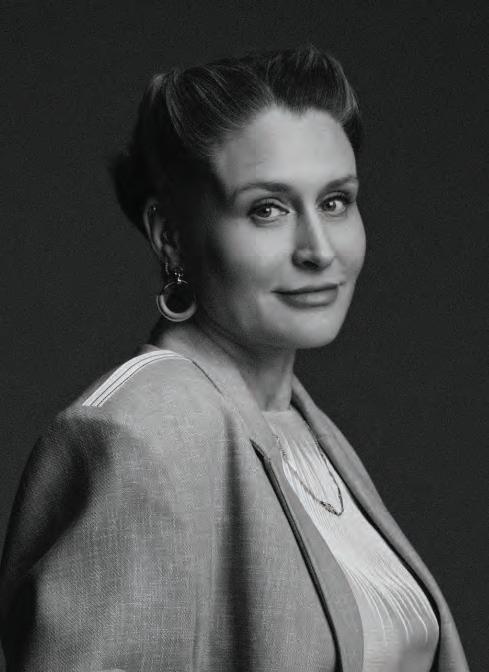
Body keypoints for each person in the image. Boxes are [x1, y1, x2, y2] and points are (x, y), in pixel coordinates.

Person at [0, 45, 469, 672]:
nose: (319, 249)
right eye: (267, 209)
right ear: (171, 236)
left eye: (335, 201)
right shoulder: (140, 439)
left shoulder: (301, 426)